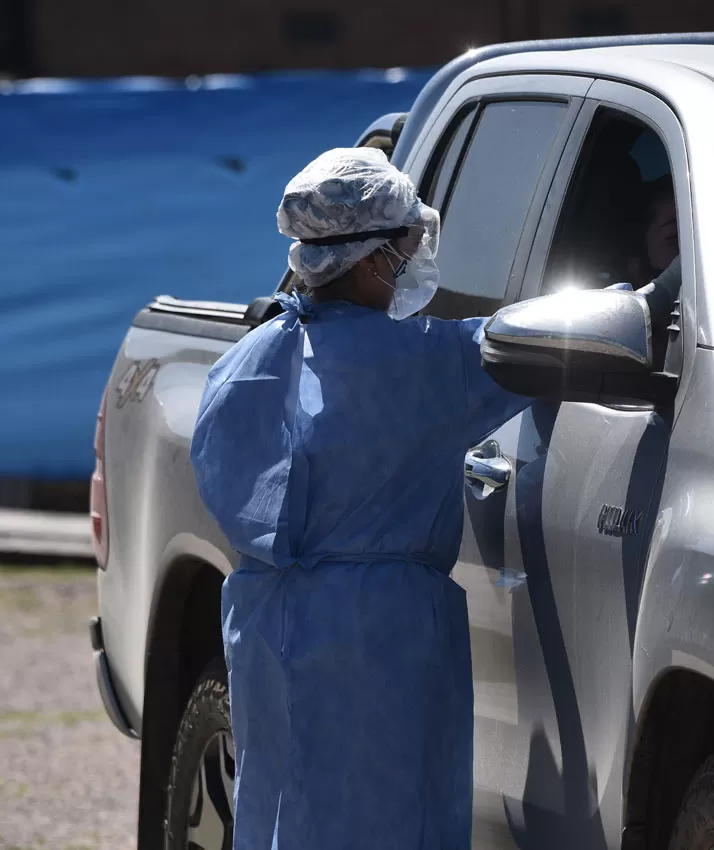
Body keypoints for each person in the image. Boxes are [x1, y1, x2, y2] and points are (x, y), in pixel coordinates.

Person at [190, 147, 531, 849]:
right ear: (373, 259)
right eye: (406, 244)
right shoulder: (420, 364)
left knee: (281, 815)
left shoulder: (243, 364)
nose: (413, 258)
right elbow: (522, 353)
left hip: (265, 624)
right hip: (380, 643)